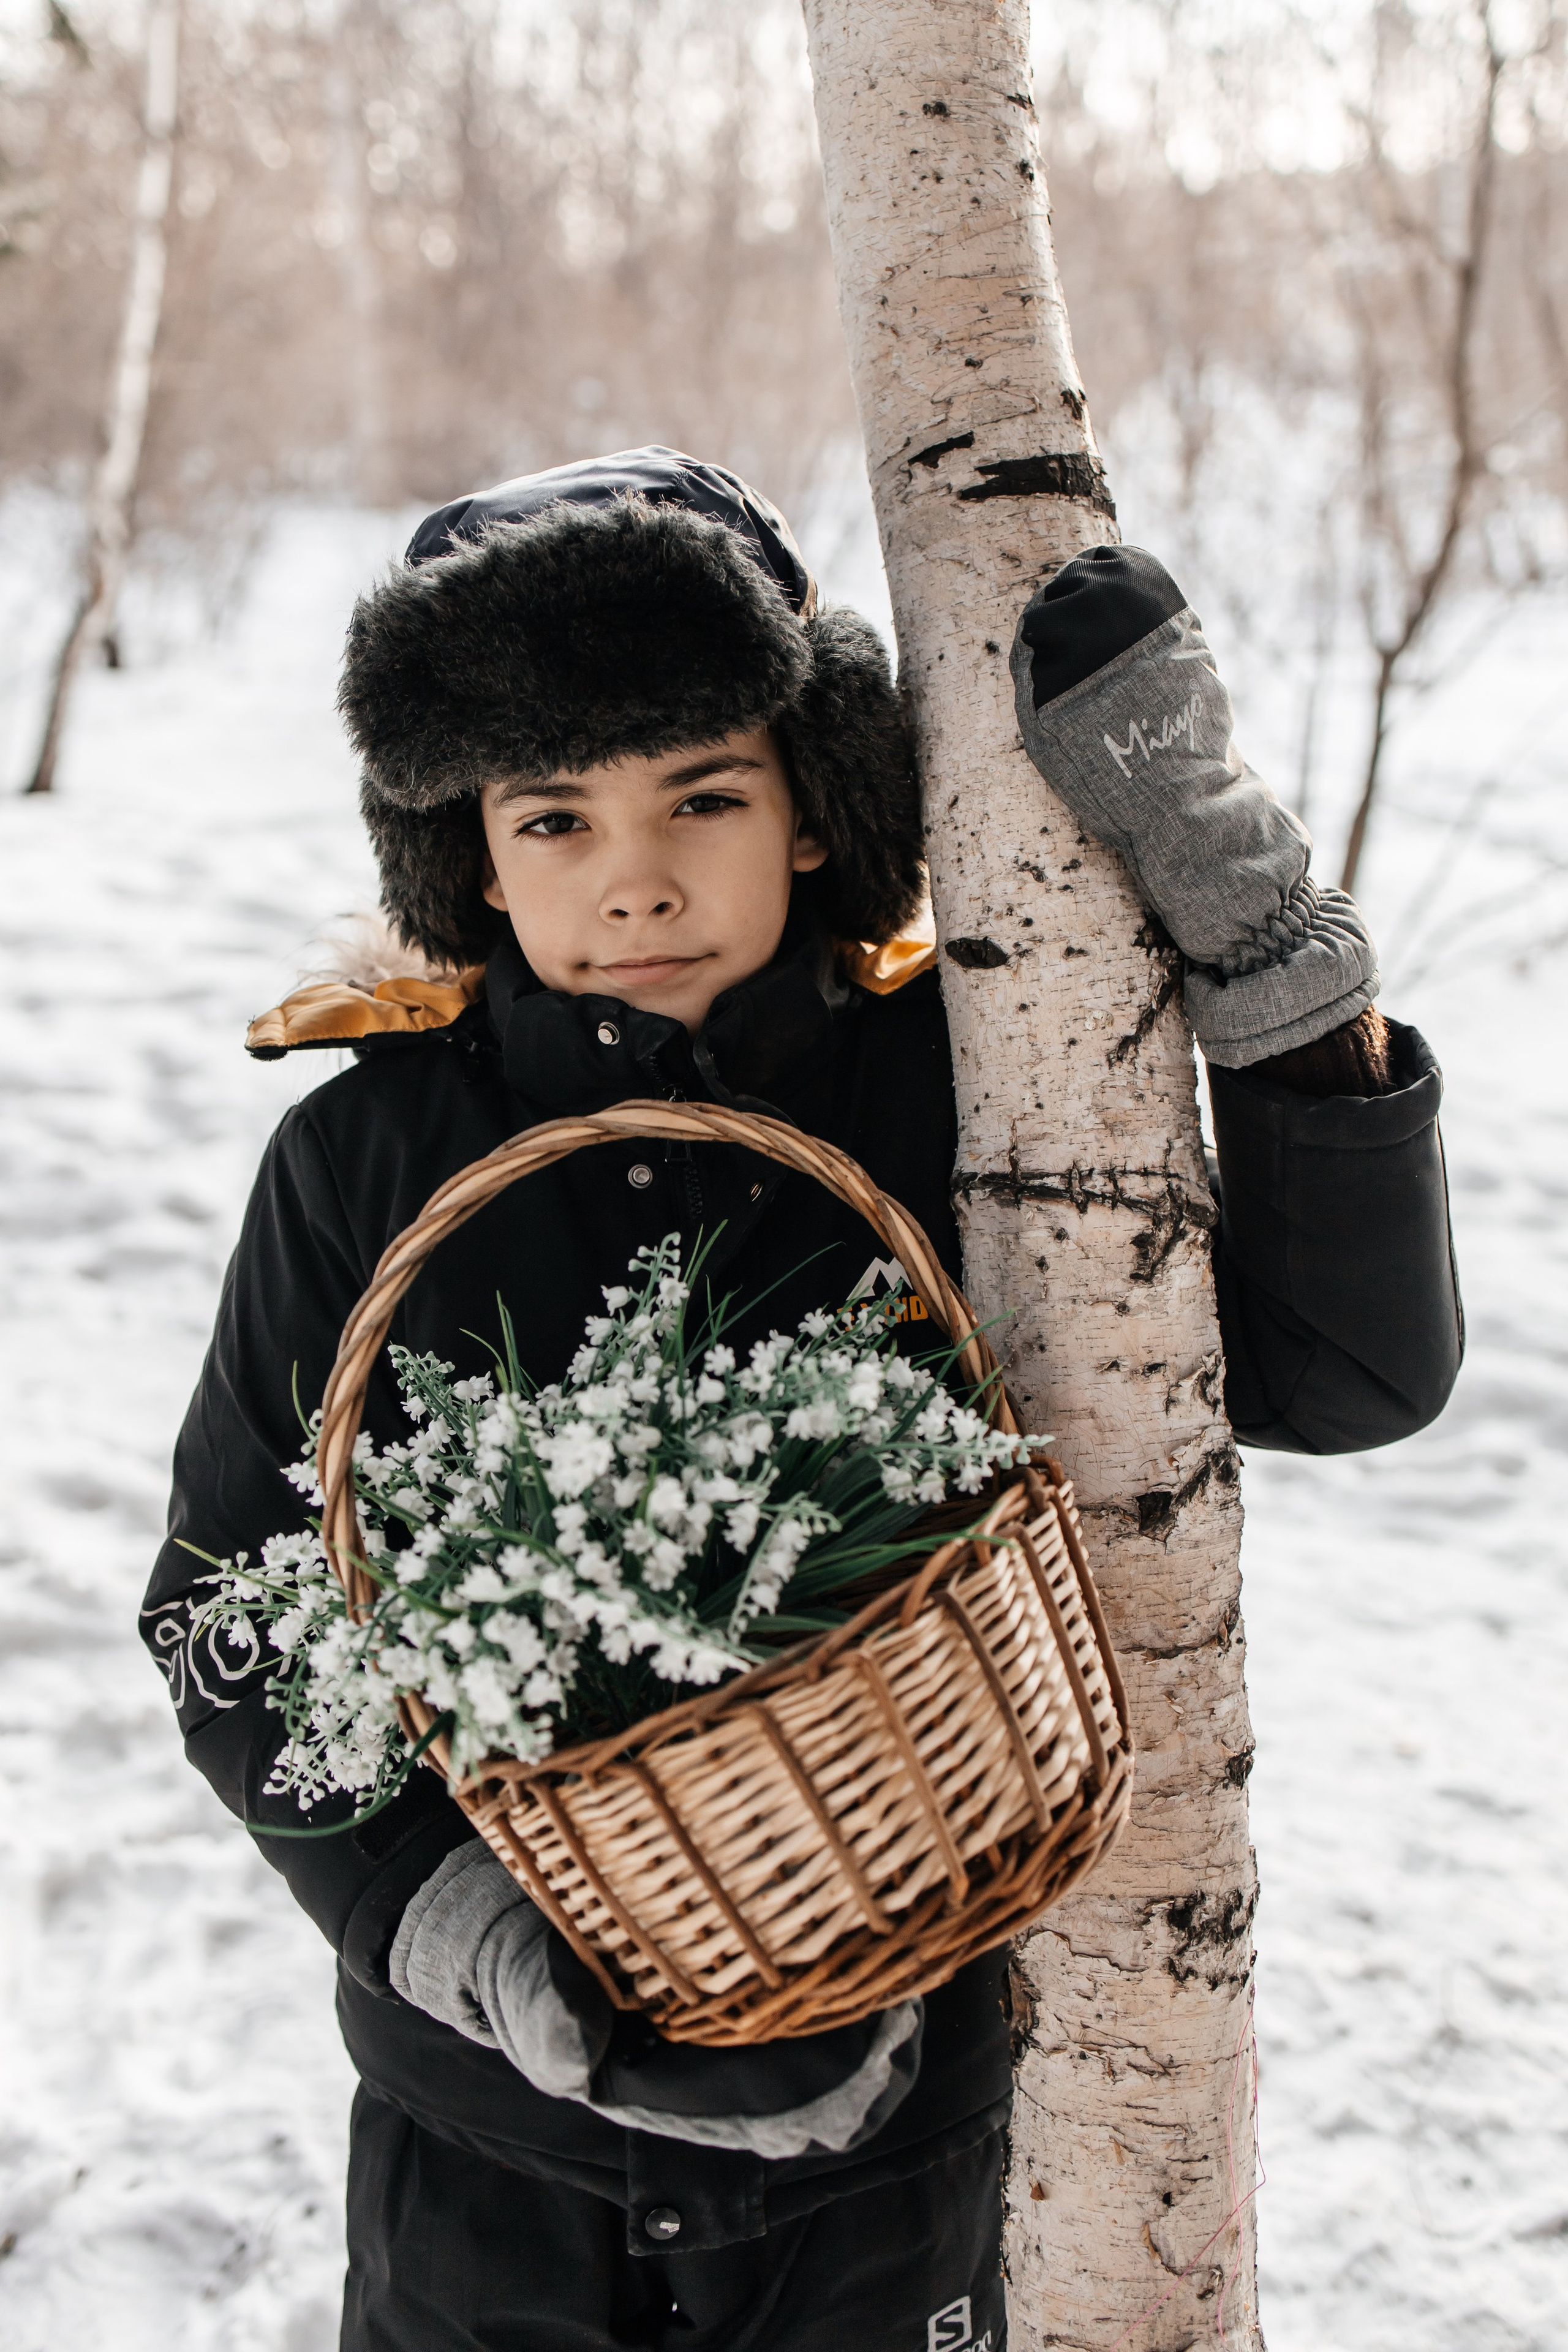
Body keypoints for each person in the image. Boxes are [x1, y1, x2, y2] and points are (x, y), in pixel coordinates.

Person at [141, 447, 1462, 2352]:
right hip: (484, 2156)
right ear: (468, 850)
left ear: (816, 804)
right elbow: (228, 1605)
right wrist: (496, 1960)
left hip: (893, 2140)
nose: (639, 880)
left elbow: (1350, 1373)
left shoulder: (965, 1085)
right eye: (553, 821)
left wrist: (1253, 942)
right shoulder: (369, 1157)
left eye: (705, 794)